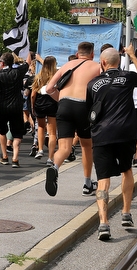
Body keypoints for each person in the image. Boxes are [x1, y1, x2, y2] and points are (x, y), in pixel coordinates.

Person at [87, 45, 137, 241]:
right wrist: (132, 56)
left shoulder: (93, 84)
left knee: (103, 179)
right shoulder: (128, 77)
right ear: (119, 61)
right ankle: (126, 212)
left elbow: (90, 111)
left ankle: (104, 223)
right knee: (126, 170)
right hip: (125, 132)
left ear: (103, 62)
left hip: (102, 134)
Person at [44, 41, 102, 196]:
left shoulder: (66, 66)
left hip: (64, 106)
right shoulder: (96, 66)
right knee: (86, 147)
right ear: (92, 54)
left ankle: (54, 167)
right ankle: (87, 183)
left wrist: (61, 100)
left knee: (64, 148)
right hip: (83, 107)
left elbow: (49, 88)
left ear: (77, 54)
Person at [0, 52, 30, 168]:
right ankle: (15, 158)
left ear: (2, 62)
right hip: (16, 106)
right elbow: (28, 63)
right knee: (17, 133)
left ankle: (4, 155)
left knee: (2, 131)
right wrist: (27, 50)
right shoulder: (18, 72)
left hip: (2, 106)